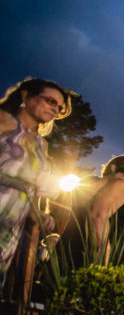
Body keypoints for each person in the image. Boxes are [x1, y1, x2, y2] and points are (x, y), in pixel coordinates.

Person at [0, 78, 71, 278]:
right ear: (25, 95)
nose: (55, 110)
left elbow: (30, 187)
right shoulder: (3, 120)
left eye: (59, 108)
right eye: (51, 101)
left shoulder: (41, 145)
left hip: (10, 226)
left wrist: (37, 211)